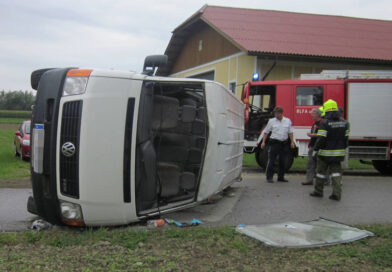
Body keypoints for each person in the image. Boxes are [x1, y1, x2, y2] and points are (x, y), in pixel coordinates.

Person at [310, 99, 349, 201]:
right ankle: (336, 194)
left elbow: (321, 138)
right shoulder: (345, 123)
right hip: (338, 154)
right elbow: (346, 139)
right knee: (336, 174)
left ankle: (318, 191)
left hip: (324, 154)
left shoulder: (325, 123)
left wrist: (316, 149)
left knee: (320, 173)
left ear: (326, 111)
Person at [260, 106, 295, 183]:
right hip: (274, 143)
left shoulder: (287, 121)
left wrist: (292, 142)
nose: (275, 115)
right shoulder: (271, 121)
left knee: (283, 161)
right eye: (275, 113)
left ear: (281, 113)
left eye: (277, 113)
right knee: (271, 160)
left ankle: (281, 177)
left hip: (284, 143)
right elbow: (266, 132)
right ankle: (269, 177)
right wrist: (263, 142)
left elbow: (290, 132)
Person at [302, 108, 323, 185]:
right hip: (313, 146)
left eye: (313, 114)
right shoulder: (314, 124)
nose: (311, 115)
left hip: (319, 147)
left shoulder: (322, 123)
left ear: (318, 114)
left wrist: (312, 135)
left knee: (321, 164)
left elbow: (322, 135)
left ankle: (325, 180)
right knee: (310, 164)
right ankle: (309, 180)